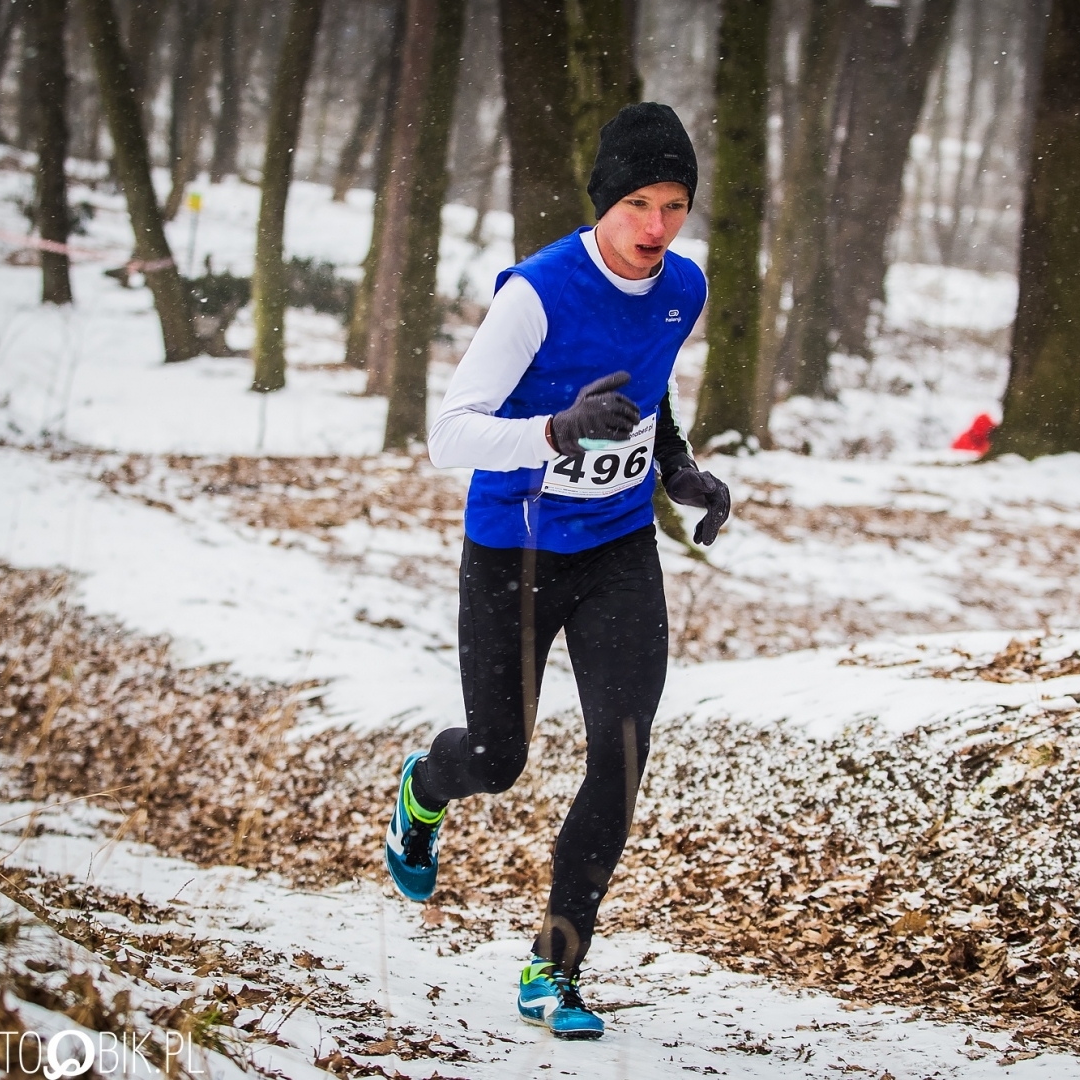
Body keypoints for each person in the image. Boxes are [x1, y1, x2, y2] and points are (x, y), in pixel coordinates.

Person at [383, 102, 730, 1040]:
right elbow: (445, 435)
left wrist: (678, 467)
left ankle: (555, 966)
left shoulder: (682, 290)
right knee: (499, 760)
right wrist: (551, 430)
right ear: (604, 201)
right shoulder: (536, 294)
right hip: (518, 552)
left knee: (621, 754)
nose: (657, 228)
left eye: (674, 205)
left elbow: (648, 399)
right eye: (639, 205)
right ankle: (424, 788)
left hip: (618, 550)